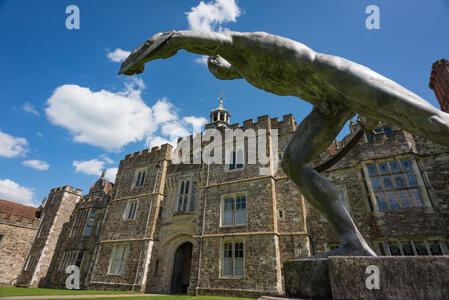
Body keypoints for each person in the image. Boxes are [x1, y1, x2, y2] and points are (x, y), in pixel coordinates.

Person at [120, 30, 449, 257]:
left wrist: (141, 56)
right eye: (212, 68)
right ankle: (353, 242)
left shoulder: (248, 44)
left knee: (430, 122)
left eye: (214, 62)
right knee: (292, 164)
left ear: (220, 54)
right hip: (326, 104)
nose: (214, 69)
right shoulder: (246, 75)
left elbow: (180, 38)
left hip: (338, 76)